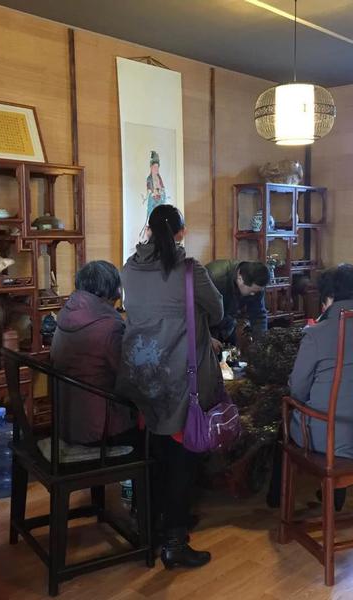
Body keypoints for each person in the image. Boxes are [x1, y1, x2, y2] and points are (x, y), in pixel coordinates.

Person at [117, 204, 223, 569]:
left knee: (154, 454)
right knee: (181, 459)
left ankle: (150, 524)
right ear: (181, 233)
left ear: (147, 230)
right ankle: (174, 542)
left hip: (141, 378)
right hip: (180, 379)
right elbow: (218, 312)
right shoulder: (190, 272)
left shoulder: (129, 269)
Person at [266, 264, 353, 510]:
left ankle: (276, 499)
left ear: (329, 298)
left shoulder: (317, 333)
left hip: (328, 438)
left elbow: (297, 390)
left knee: (285, 423)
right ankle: (336, 496)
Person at [50, 260, 134, 445]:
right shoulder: (110, 326)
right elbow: (129, 378)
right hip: (101, 430)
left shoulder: (65, 315)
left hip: (65, 423)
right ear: (113, 290)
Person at [205, 259, 270, 352]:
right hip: (204, 326)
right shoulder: (213, 277)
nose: (254, 295)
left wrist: (261, 346)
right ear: (240, 279)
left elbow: (258, 316)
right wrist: (208, 338)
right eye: (252, 291)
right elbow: (194, 313)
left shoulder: (256, 283)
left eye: (257, 292)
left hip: (227, 324)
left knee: (230, 356)